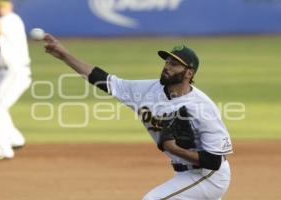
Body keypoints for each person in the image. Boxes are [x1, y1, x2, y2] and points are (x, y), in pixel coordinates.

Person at [44, 34, 233, 200]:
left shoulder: (202, 108)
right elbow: (105, 81)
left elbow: (214, 161)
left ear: (189, 73)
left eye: (174, 64)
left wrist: (174, 149)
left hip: (209, 177)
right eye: (166, 61)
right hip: (184, 175)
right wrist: (64, 56)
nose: (167, 66)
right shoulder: (147, 90)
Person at [0, 0, 31, 160]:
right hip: (1, 73)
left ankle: (2, 150)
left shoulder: (12, 20)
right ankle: (15, 139)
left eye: (2, 5)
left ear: (10, 6)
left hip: (15, 72)